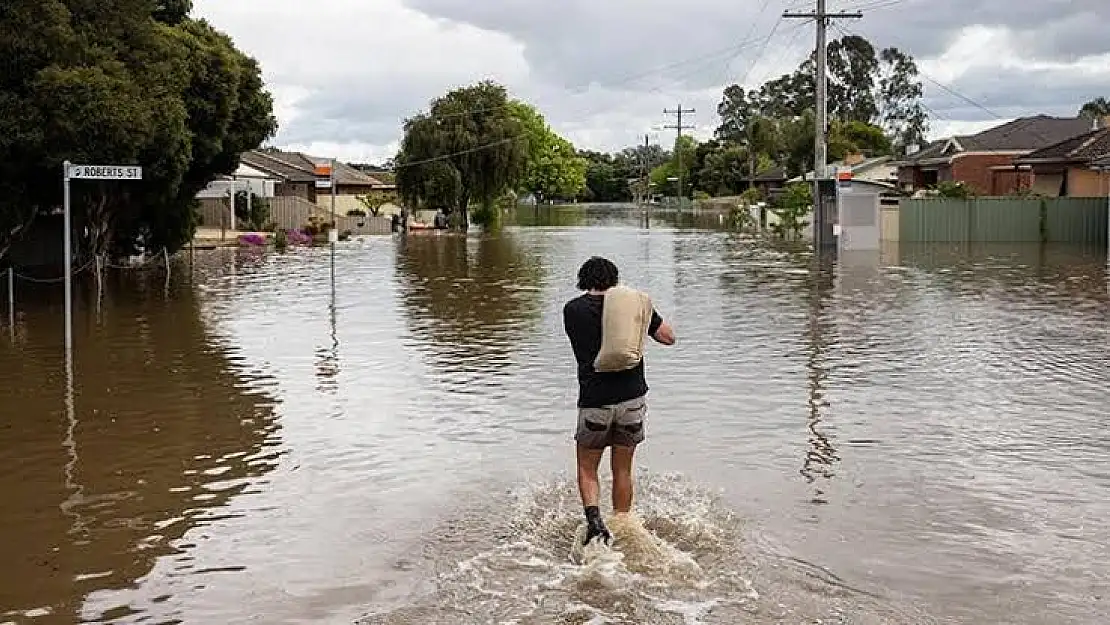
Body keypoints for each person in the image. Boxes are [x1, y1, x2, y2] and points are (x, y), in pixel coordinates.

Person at [562, 256, 675, 546]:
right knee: (622, 469)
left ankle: (594, 522)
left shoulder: (572, 310)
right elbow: (668, 338)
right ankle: (623, 524)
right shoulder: (634, 306)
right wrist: (642, 318)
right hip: (632, 400)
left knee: (588, 468)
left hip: (594, 403)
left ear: (583, 280)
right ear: (614, 281)